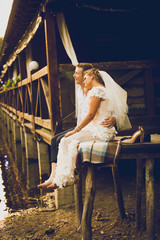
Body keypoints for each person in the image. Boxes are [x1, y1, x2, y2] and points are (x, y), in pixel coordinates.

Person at [39, 68, 131, 189]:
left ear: (92, 76)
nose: (84, 81)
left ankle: (65, 178)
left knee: (66, 140)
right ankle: (60, 178)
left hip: (99, 130)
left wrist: (76, 130)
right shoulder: (100, 90)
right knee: (63, 140)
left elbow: (91, 115)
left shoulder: (97, 91)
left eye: (86, 78)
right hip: (97, 128)